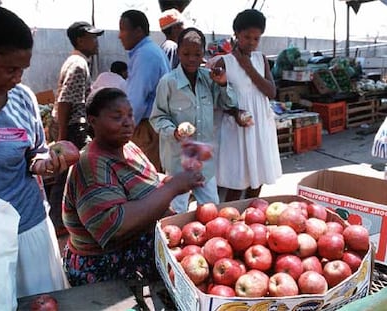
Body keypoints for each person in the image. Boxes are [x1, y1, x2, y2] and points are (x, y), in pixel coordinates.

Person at [62, 87, 204, 286]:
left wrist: (171, 181)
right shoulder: (91, 165)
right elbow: (114, 226)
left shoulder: (128, 147)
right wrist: (172, 189)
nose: (128, 122)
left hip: (143, 250)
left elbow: (147, 183)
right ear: (93, 121)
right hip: (106, 268)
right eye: (117, 117)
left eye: (130, 115)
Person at [0, 6, 68, 297]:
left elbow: (34, 153)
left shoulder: (22, 99)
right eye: (10, 69)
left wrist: (45, 162)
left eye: (22, 70)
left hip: (27, 230)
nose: (17, 78)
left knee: (40, 302)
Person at [150, 27, 242, 213]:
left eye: (197, 54)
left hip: (204, 162)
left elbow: (229, 103)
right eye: (186, 53)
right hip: (177, 162)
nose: (192, 58)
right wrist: (173, 131)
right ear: (178, 53)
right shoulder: (168, 82)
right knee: (176, 209)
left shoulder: (210, 79)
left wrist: (223, 83)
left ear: (203, 53)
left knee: (211, 208)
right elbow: (157, 117)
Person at [214, 9, 282, 201]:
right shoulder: (224, 62)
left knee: (258, 172)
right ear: (236, 34)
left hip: (260, 123)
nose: (251, 42)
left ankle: (253, 211)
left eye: (256, 38)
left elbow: (271, 92)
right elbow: (217, 97)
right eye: (247, 37)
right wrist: (235, 112)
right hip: (237, 126)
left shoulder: (261, 60)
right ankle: (231, 216)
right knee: (238, 176)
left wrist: (248, 68)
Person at [49, 21, 104, 235]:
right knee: (66, 175)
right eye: (92, 37)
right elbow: (64, 102)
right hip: (72, 128)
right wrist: (63, 136)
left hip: (72, 127)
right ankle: (58, 221)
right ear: (80, 40)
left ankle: (66, 218)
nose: (96, 42)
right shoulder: (78, 64)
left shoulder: (78, 62)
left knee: (73, 175)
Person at [119, 10, 170, 172]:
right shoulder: (148, 51)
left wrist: (122, 131)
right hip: (151, 126)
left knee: (145, 181)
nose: (120, 36)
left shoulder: (145, 55)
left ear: (138, 31)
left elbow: (136, 100)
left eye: (123, 29)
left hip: (147, 129)